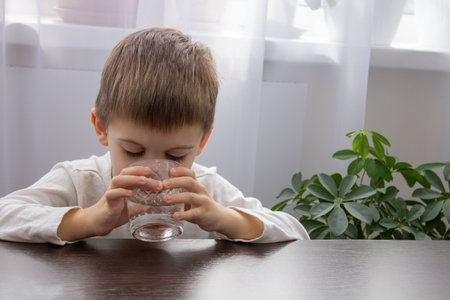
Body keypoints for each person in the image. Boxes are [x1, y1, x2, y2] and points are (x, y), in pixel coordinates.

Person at [0, 27, 309, 245]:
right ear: (101, 127)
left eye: (176, 156)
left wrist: (225, 219)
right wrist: (88, 221)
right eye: (133, 152)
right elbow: (6, 215)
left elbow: (296, 232)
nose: (153, 174)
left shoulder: (204, 189)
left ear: (202, 142)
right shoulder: (81, 180)